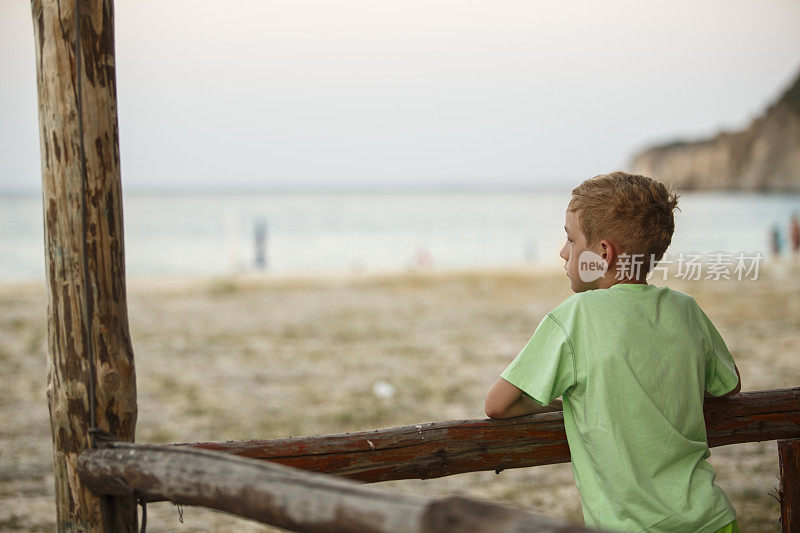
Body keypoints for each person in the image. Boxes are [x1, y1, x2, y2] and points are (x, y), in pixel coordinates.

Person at [484, 171, 741, 533]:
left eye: (570, 240)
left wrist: (566, 402)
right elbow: (728, 386)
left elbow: (498, 404)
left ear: (603, 254)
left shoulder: (574, 317)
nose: (562, 251)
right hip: (714, 520)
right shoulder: (687, 310)